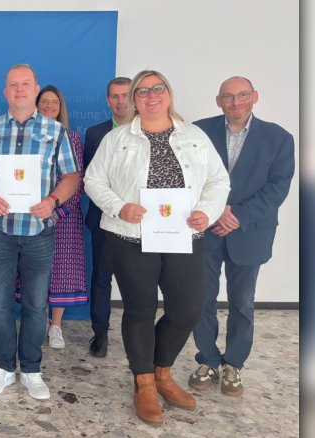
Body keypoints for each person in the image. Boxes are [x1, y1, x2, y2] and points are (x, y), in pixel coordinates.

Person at [84, 69, 230, 425]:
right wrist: (120, 206)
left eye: (157, 88)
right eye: (142, 91)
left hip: (184, 237)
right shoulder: (117, 139)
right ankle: (145, 381)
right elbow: (93, 180)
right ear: (133, 100)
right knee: (139, 310)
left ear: (168, 93)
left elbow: (218, 179)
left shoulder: (193, 135)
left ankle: (163, 372)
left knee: (188, 309)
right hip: (130, 238)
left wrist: (207, 212)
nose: (151, 95)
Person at [0, 64, 80, 401]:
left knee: (34, 305)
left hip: (38, 232)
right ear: (5, 92)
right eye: (13, 85)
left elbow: (71, 176)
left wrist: (52, 200)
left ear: (36, 88)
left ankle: (31, 369)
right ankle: (2, 367)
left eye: (25, 84)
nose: (19, 89)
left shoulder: (55, 132)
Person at [188, 76, 295, 397]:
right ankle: (207, 359)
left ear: (255, 97)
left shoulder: (278, 138)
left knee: (243, 303)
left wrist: (239, 217)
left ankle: (234, 364)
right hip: (205, 228)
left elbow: (278, 186)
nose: (236, 102)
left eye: (242, 95)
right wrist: (215, 210)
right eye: (228, 97)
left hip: (249, 232)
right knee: (201, 300)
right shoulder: (198, 131)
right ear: (218, 101)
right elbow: (188, 176)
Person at [35, 85, 88, 350]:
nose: (48, 106)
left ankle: (55, 325)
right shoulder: (28, 136)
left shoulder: (72, 138)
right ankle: (39, 321)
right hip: (33, 214)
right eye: (43, 101)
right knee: (36, 270)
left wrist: (58, 211)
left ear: (60, 107)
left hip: (64, 218)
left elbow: (77, 183)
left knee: (61, 271)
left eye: (53, 102)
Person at [82, 76, 132, 358]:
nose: (120, 101)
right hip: (102, 219)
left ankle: (136, 332)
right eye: (114, 96)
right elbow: (91, 178)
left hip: (141, 221)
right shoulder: (95, 133)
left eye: (125, 95)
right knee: (101, 277)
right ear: (107, 100)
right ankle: (100, 332)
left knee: (137, 279)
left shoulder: (150, 130)